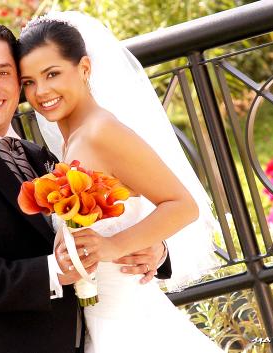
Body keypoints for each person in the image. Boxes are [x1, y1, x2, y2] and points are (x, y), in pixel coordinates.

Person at [0, 20, 170, 353]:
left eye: (4, 72)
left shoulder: (36, 154)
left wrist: (152, 250)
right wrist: (54, 272)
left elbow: (90, 229)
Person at [18, 11, 224, 353]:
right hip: (104, 319)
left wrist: (115, 246)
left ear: (84, 69)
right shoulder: (74, 141)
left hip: (129, 323)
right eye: (28, 82)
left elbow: (182, 205)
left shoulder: (101, 132)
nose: (40, 91)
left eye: (52, 74)